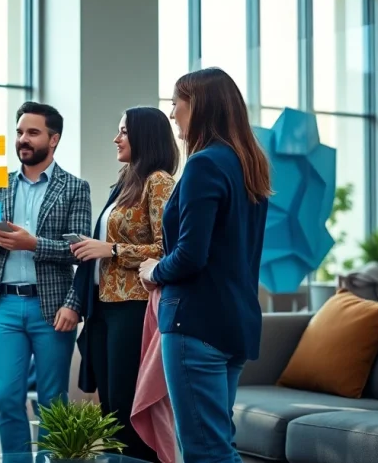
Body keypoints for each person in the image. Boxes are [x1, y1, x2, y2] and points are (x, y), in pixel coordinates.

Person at [141, 67, 270, 463]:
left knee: (205, 451)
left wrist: (153, 270)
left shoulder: (203, 164)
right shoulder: (249, 164)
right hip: (234, 324)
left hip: (195, 324)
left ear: (197, 106)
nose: (172, 114)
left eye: (175, 104)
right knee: (218, 444)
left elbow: (190, 255)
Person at [0, 102, 91, 455]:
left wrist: (33, 244)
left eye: (33, 132)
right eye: (20, 132)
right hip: (2, 307)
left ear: (53, 139)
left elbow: (80, 251)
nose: (23, 139)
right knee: (8, 398)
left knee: (52, 401)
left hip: (51, 308)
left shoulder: (74, 188)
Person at [70, 106, 178, 463]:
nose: (116, 138)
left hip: (134, 307)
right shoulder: (126, 181)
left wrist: (112, 249)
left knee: (127, 404)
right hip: (104, 306)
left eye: (124, 131)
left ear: (145, 136)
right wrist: (93, 247)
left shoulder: (158, 181)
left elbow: (167, 249)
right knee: (110, 408)